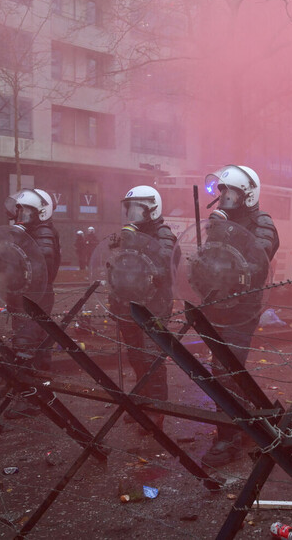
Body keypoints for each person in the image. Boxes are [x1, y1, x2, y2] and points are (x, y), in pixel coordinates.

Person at [199, 164, 279, 468]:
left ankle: (227, 439)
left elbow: (257, 261)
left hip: (242, 309)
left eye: (230, 191)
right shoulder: (222, 221)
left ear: (247, 194)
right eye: (222, 191)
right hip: (217, 306)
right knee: (224, 370)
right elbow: (207, 262)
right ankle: (244, 426)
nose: (224, 198)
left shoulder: (262, 222)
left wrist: (227, 233)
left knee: (226, 372)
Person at [108, 185, 176, 433]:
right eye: (130, 209)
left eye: (138, 209)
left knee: (151, 358)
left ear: (152, 209)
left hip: (154, 306)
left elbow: (165, 266)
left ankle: (158, 410)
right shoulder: (130, 233)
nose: (132, 215)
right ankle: (143, 402)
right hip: (130, 303)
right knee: (136, 356)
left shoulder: (164, 234)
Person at [4, 188, 61, 371]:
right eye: (20, 211)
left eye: (27, 212)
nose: (21, 216)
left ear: (42, 212)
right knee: (37, 337)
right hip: (28, 294)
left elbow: (42, 266)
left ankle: (30, 387)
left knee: (26, 341)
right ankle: (40, 381)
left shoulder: (43, 232)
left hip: (36, 294)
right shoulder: (30, 231)